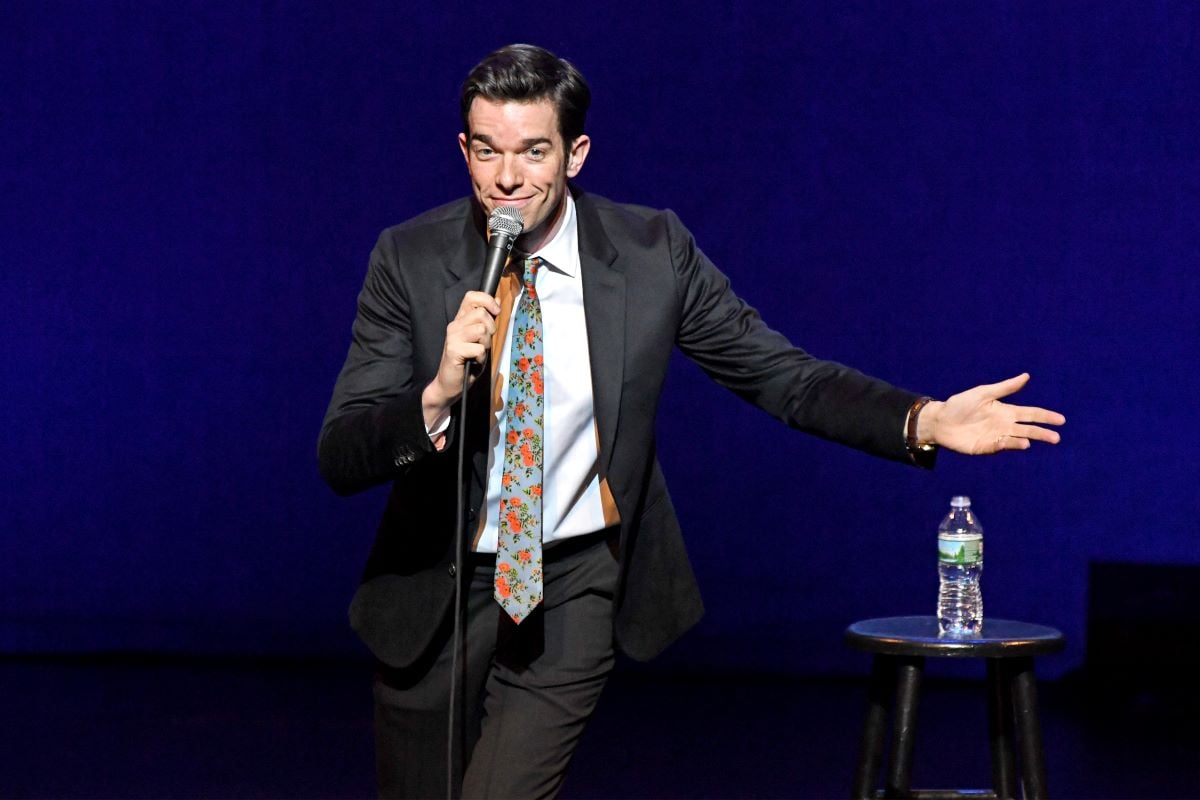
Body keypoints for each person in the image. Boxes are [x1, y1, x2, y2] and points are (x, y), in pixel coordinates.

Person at [318, 43, 1065, 800]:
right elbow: (342, 452)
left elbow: (781, 375)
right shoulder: (409, 259)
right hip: (437, 585)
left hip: (573, 581)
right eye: (488, 152)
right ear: (465, 151)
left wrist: (925, 419)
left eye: (533, 151)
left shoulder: (651, 253)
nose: (508, 179)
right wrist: (437, 395)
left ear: (575, 153)